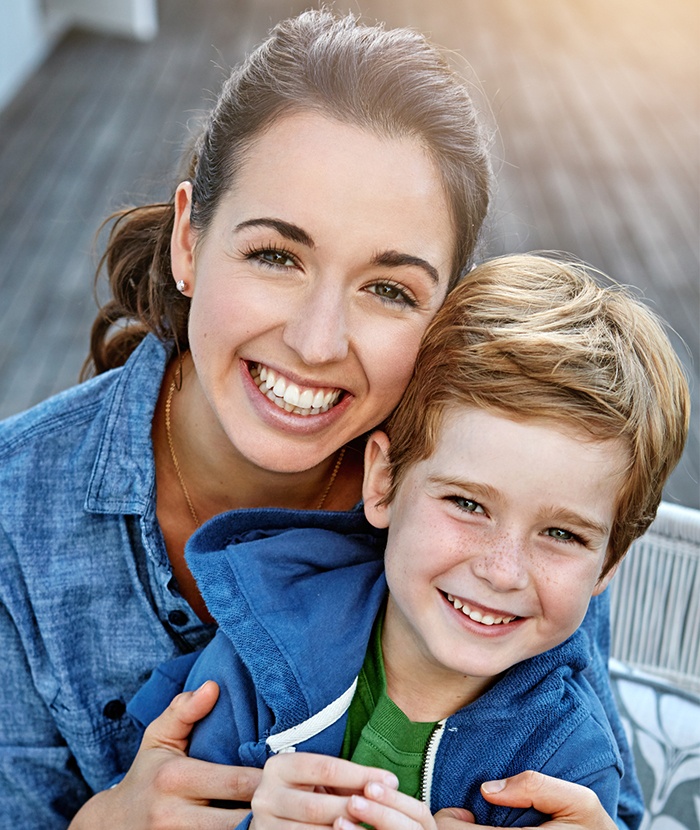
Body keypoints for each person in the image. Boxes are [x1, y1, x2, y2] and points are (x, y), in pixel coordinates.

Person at [0, 8, 633, 830]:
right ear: (189, 242)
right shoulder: (14, 514)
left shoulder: (518, 504)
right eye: (275, 256)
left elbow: (605, 790)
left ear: (445, 312)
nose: (316, 340)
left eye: (389, 288)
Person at [127, 253, 689, 828]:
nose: (502, 571)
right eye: (468, 504)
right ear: (384, 482)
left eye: (562, 534)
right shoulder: (266, 645)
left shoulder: (566, 762)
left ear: (609, 564)